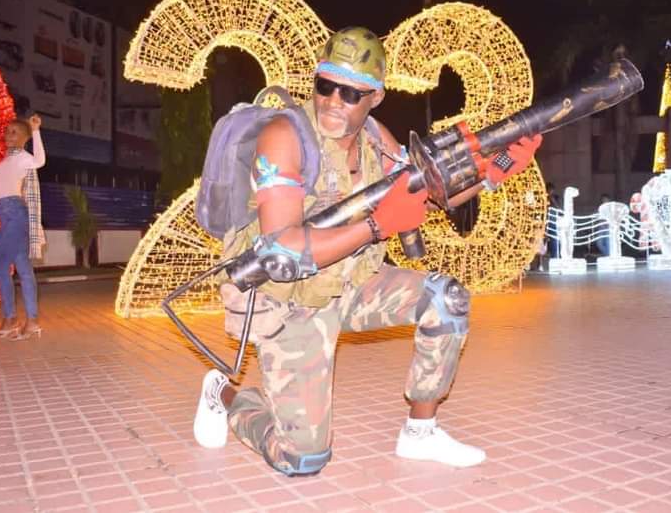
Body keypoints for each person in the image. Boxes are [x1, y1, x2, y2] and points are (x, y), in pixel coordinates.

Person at [192, 27, 542, 475]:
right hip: (289, 300)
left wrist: (495, 170)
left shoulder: (377, 137)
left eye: (352, 93)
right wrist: (378, 225)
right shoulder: (284, 135)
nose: (335, 101)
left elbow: (430, 193)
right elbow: (283, 248)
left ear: (375, 97)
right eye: (326, 86)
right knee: (302, 459)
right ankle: (223, 394)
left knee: (446, 299)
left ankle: (420, 433)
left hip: (352, 283)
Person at [0, 114, 45, 340]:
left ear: (24, 139)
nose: (8, 135)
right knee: (23, 268)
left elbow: (40, 160)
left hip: (14, 215)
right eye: (7, 131)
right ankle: (30, 321)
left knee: (0, 265)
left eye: (14, 132)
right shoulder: (1, 164)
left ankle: (11, 318)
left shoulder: (24, 158)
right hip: (4, 213)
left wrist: (36, 130)